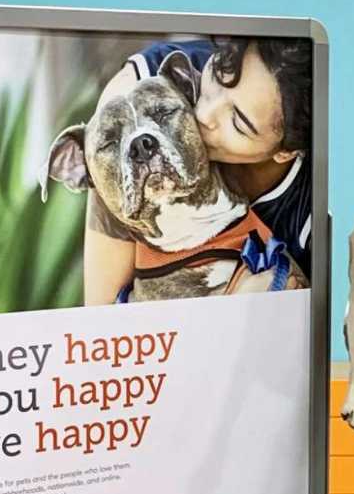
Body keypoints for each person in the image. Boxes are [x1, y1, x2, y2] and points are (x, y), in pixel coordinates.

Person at [84, 35, 312, 304]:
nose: (205, 113)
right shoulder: (148, 84)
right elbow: (103, 320)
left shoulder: (313, 202)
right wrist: (233, 311)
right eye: (219, 74)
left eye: (237, 122)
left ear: (286, 152)